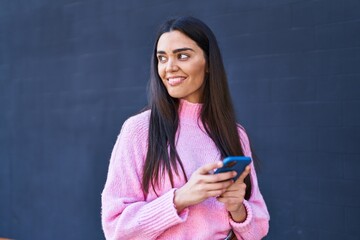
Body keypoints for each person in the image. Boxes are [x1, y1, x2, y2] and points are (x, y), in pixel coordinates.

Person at [101, 16, 270, 240]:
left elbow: (259, 229)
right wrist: (181, 197)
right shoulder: (140, 129)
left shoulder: (235, 134)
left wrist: (237, 208)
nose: (169, 67)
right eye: (162, 58)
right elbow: (115, 228)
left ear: (208, 63)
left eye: (182, 56)